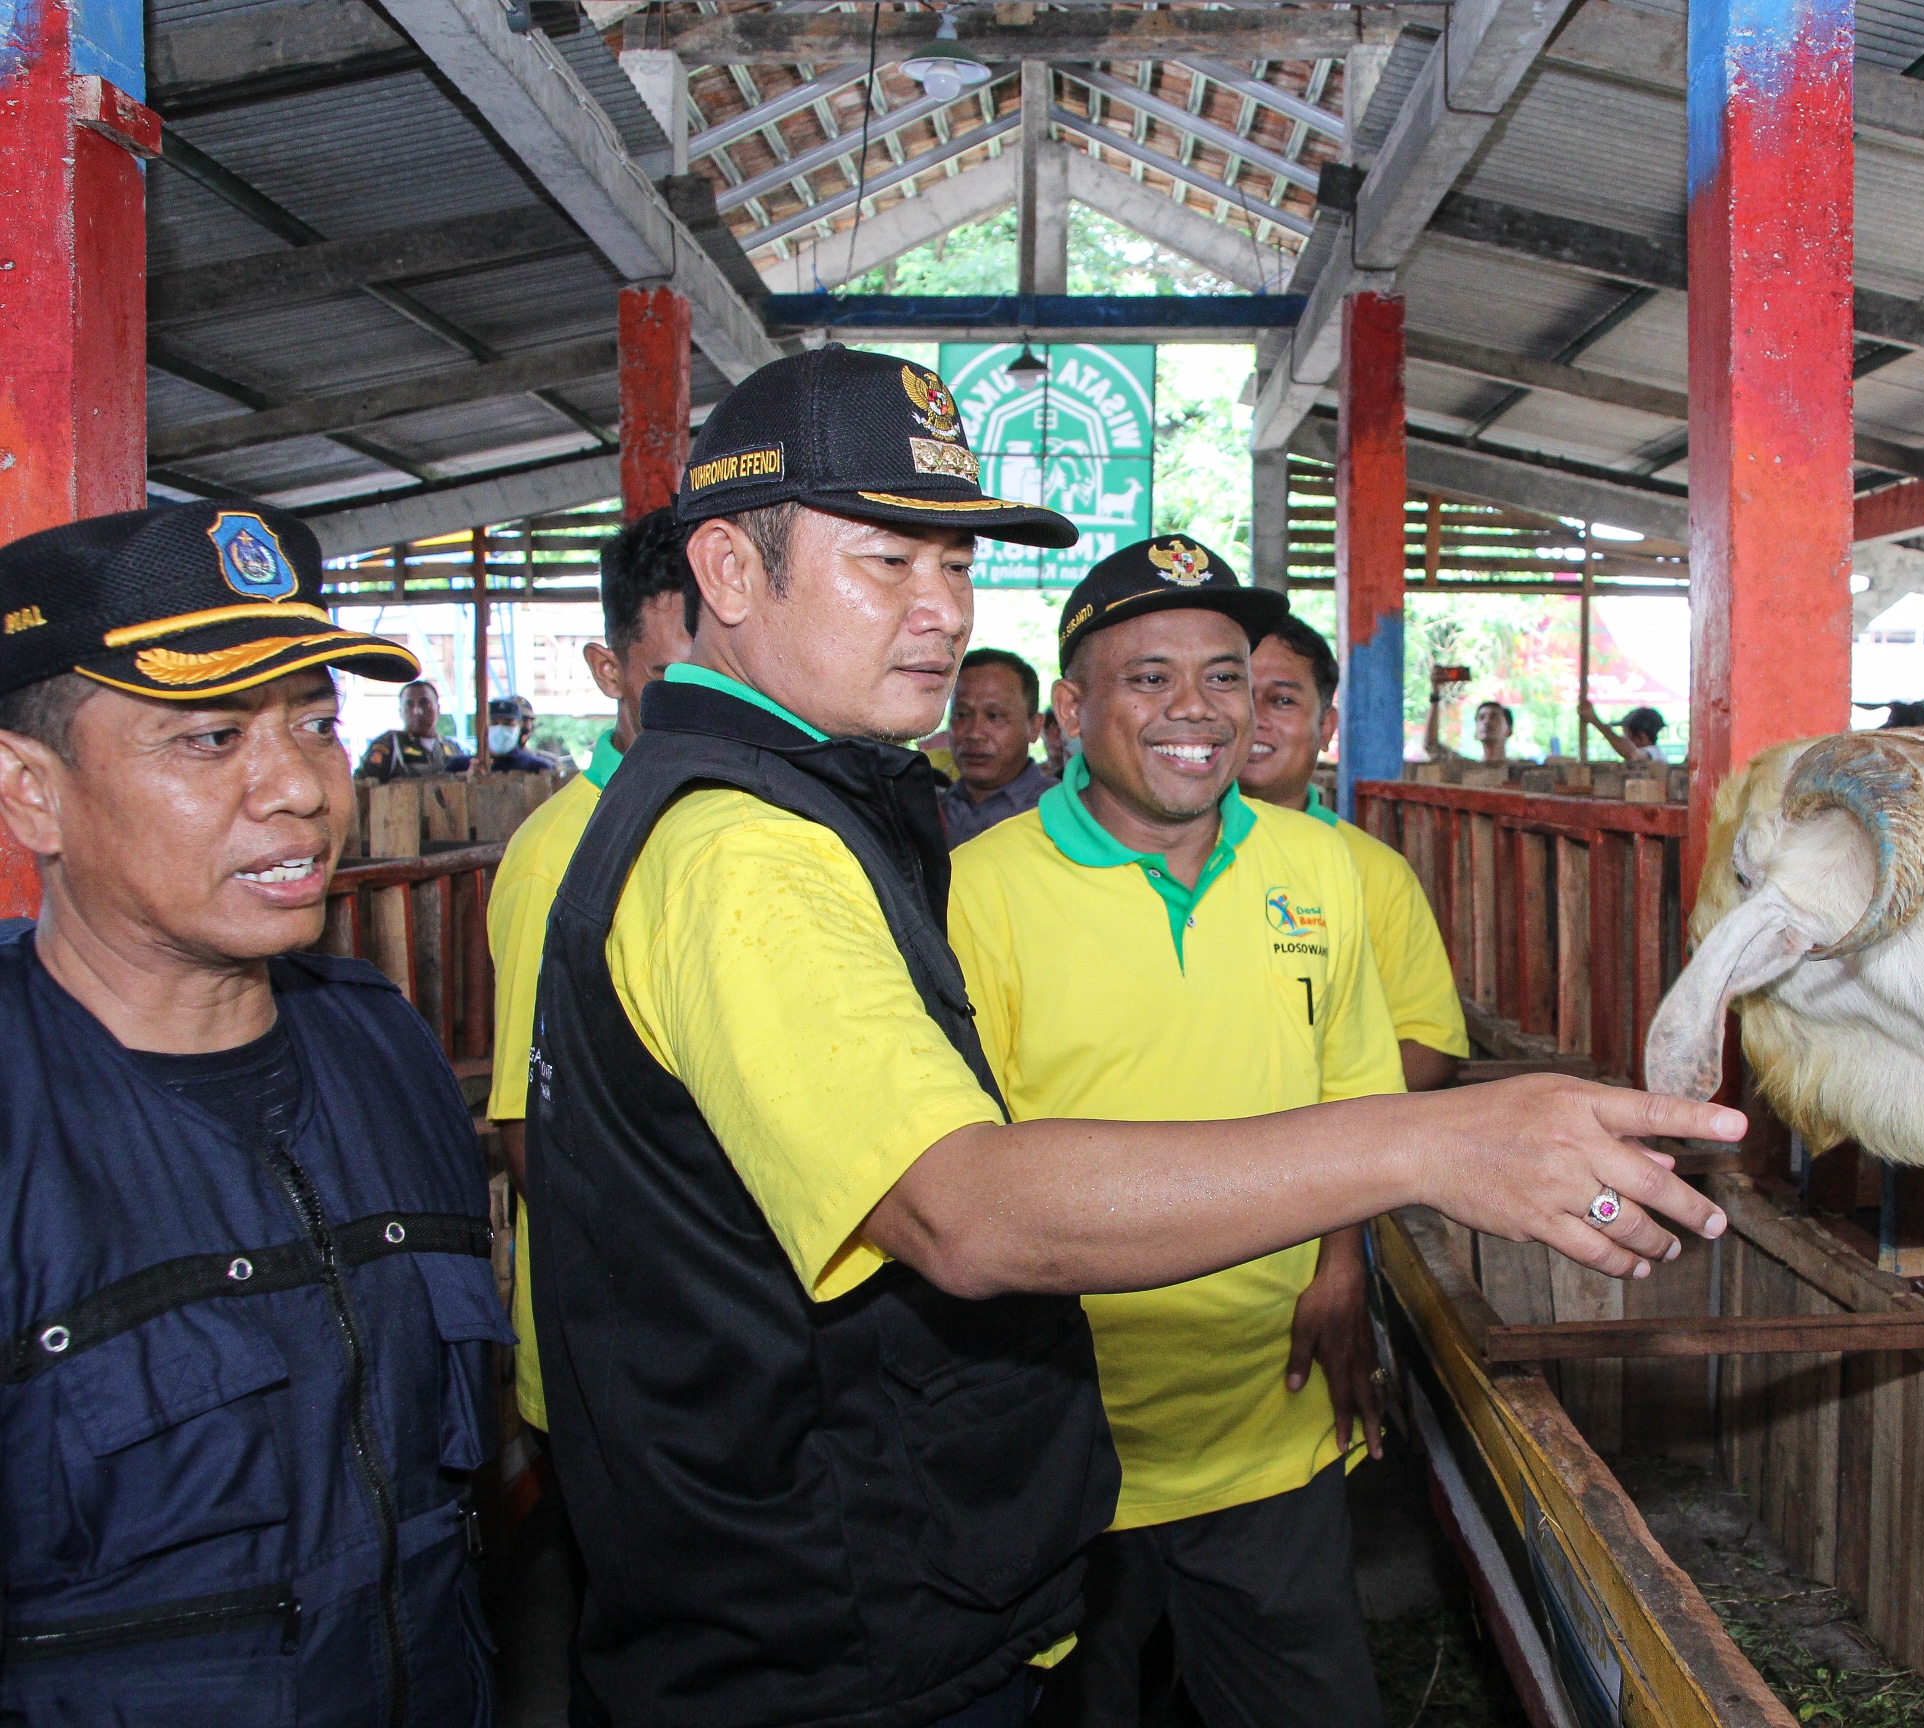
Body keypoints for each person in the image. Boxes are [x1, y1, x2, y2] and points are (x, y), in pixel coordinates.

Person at [522, 348, 1739, 1728]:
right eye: (887, 565)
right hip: (823, 1619)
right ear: (732, 574)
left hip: (865, 1563)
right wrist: (1434, 1141)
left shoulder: (799, 814)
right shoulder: (753, 857)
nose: (938, 611)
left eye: (957, 567)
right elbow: (965, 1210)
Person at [0, 503, 511, 1723]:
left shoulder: (375, 1039)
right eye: (212, 736)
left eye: (320, 727)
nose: (300, 790)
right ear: (32, 795)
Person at [952, 541, 1395, 1726]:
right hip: (1063, 1434)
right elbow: (959, 1176)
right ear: (1072, 709)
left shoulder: (1321, 866)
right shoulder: (978, 890)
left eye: (1225, 676)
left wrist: (1342, 1261)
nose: (1195, 709)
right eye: (1147, 678)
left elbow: (1354, 1083)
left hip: (1271, 1419)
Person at [487, 505, 698, 1440]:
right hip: (629, 1333)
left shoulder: (735, 817)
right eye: (669, 680)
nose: (704, 706)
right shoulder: (557, 858)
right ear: (608, 671)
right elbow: (531, 1131)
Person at [1242, 614, 1469, 1092]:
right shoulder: (1165, 851)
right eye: (1233, 691)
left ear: (1326, 727)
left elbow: (1431, 1043)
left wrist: (1319, 1123)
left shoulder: (1377, 871)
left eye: (1281, 700)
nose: (1253, 717)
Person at [938, 646, 1053, 846]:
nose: (974, 733)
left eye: (993, 716)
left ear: (1035, 727)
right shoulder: (929, 811)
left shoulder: (1059, 811)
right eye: (961, 715)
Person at [358, 675, 469, 779]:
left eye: (424, 703)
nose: (417, 711)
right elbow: (361, 783)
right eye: (409, 705)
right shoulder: (390, 744)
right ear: (400, 712)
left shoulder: (452, 748)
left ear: (438, 708)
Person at [1423, 681, 1519, 764]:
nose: (1486, 721)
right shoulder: (1467, 768)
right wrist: (1435, 694)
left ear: (1509, 730)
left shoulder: (1521, 770)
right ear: (1475, 733)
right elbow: (1431, 745)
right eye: (1481, 718)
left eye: (1494, 717)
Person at [483, 693, 556, 773]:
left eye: (508, 723)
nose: (501, 728)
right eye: (494, 722)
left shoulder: (540, 765)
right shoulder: (475, 763)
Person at [1582, 699, 1667, 762]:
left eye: (1626, 736)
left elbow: (1633, 754)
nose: (1624, 739)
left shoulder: (1654, 754)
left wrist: (1595, 721)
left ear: (1642, 737)